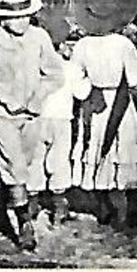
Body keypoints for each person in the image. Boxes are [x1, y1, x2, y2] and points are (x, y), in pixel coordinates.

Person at [0, 0, 64, 250]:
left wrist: (39, 96)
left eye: (24, 16)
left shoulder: (39, 38)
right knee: (15, 164)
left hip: (32, 114)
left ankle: (1, 206)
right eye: (13, 17)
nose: (20, 22)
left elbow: (55, 74)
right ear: (1, 16)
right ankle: (24, 225)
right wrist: (3, 98)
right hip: (2, 114)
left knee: (22, 162)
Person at [67, 0, 137, 228]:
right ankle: (132, 205)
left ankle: (103, 203)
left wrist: (87, 93)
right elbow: (135, 81)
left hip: (96, 104)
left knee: (96, 148)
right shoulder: (124, 45)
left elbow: (75, 79)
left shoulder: (82, 46)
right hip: (121, 104)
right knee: (125, 150)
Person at [25, 32, 89, 224]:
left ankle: (32, 202)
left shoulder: (34, 67)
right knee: (59, 160)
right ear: (62, 46)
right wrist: (88, 77)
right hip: (61, 120)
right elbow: (81, 93)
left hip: (38, 117)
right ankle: (59, 206)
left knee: (36, 159)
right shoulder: (70, 68)